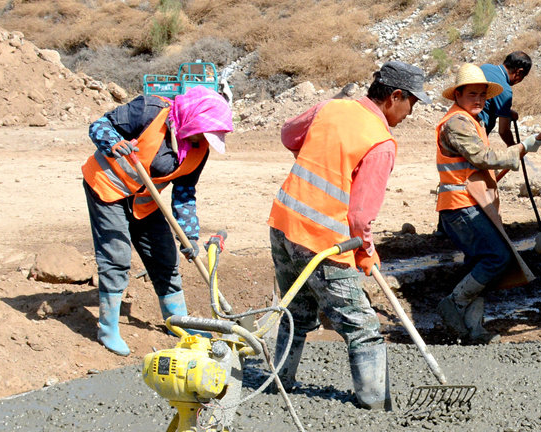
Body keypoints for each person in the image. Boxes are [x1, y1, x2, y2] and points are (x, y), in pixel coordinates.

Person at [269, 60, 429, 409]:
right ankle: (374, 402)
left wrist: (322, 155)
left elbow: (287, 134)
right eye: (412, 104)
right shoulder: (381, 142)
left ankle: (278, 383)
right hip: (323, 241)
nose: (410, 113)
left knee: (295, 312)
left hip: (282, 224)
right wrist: (366, 252)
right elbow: (359, 216)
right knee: (362, 325)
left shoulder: (332, 107)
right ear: (395, 96)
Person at [83, 85, 232, 356]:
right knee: (116, 256)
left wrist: (190, 235)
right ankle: (108, 328)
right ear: (192, 118)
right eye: (202, 132)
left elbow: (185, 193)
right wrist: (114, 143)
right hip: (107, 186)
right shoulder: (149, 110)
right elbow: (99, 125)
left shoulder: (200, 150)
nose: (203, 140)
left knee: (165, 257)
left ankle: (177, 323)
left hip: (145, 201)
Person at [433, 63, 541, 345]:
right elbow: (481, 157)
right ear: (457, 94)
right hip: (461, 205)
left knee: (479, 263)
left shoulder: (472, 120)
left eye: (483, 95)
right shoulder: (457, 123)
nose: (479, 100)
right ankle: (454, 304)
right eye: (472, 94)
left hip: (468, 202)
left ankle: (474, 329)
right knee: (497, 257)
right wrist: (519, 150)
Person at [476, 51, 532, 146]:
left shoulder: (485, 67)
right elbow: (503, 131)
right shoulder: (505, 91)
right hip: (477, 134)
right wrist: (515, 149)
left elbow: (488, 102)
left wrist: (507, 112)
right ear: (519, 72)